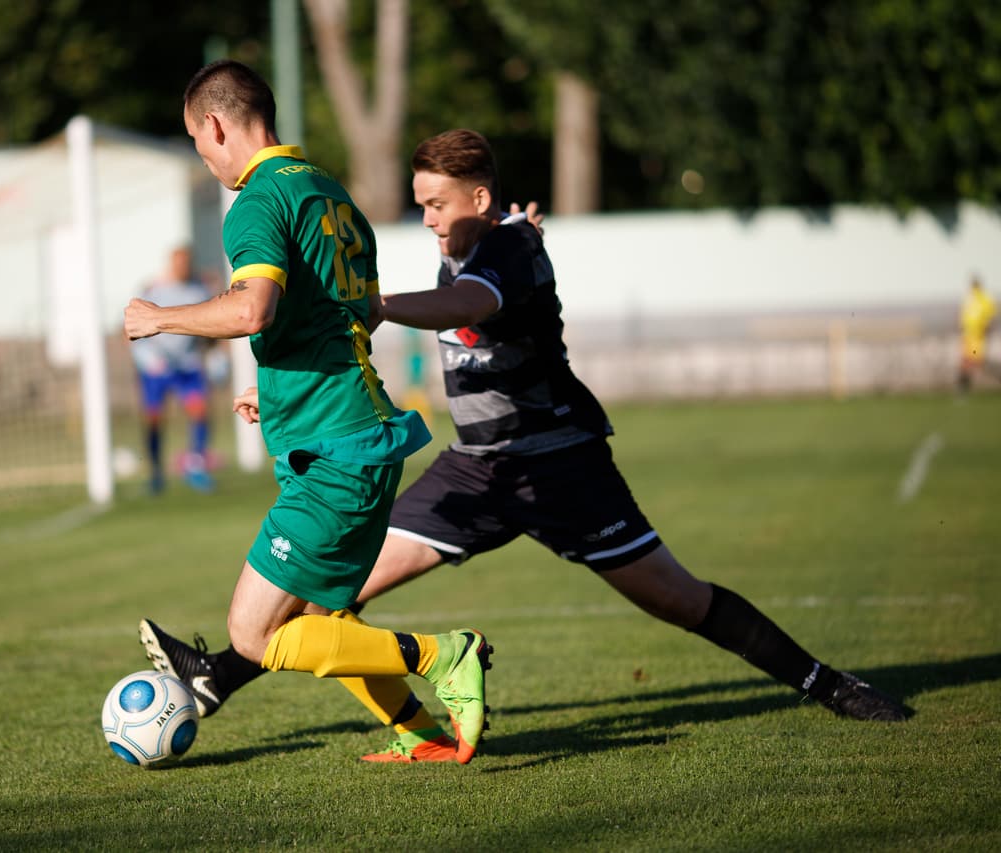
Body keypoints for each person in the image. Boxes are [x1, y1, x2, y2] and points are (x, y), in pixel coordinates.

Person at [139, 127, 910, 764]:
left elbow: (466, 305)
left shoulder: (508, 248)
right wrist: (280, 388)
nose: (429, 221)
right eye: (420, 207)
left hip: (559, 463)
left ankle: (826, 683)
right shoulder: (475, 240)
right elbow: (380, 321)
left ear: (480, 197)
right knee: (331, 593)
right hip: (475, 469)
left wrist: (377, 301)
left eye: (439, 205)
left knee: (678, 597)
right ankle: (250, 688)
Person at [123, 62, 491, 765]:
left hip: (337, 452)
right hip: (355, 431)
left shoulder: (257, 202)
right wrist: (276, 386)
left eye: (197, 141)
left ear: (217, 125)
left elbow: (251, 308)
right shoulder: (330, 192)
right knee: (324, 619)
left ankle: (446, 655)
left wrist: (160, 318)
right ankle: (420, 734)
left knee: (254, 635)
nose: (203, 157)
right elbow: (347, 316)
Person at [129, 246, 215, 493]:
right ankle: (156, 472)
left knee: (199, 411)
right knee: (154, 419)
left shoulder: (200, 289)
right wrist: (146, 357)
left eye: (186, 262)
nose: (182, 267)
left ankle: (196, 466)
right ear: (170, 264)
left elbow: (210, 326)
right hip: (157, 365)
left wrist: (214, 353)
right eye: (178, 263)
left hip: (187, 364)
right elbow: (132, 326)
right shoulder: (154, 289)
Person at [957, 274, 996, 394]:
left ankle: (962, 391)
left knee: (977, 363)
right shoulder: (970, 300)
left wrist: (986, 328)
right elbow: (964, 318)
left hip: (978, 338)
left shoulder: (985, 300)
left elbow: (991, 317)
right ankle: (962, 391)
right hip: (968, 337)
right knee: (966, 362)